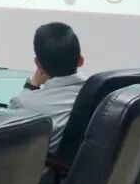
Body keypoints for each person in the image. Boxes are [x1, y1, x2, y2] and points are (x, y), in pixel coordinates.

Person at [8, 22, 87, 151]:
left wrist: (32, 86)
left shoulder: (23, 103)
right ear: (81, 60)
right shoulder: (101, 92)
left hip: (45, 163)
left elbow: (6, 136)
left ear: (38, 64)